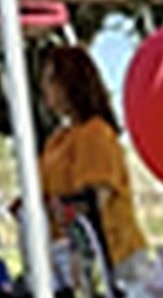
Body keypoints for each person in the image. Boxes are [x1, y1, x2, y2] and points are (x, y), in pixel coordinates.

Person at [35, 43, 149, 281]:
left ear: (70, 83)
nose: (44, 89)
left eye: (50, 80)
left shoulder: (95, 134)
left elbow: (93, 203)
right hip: (71, 255)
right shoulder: (57, 141)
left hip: (113, 259)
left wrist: (80, 252)